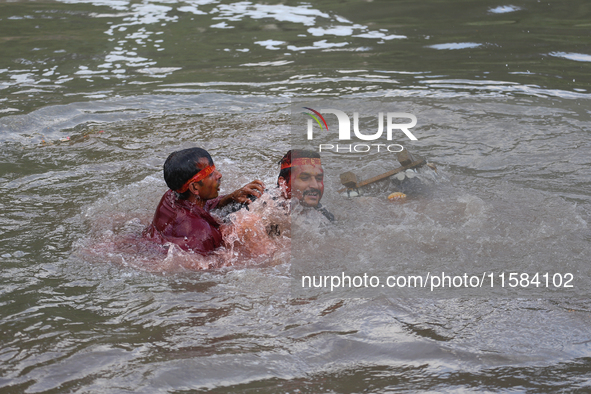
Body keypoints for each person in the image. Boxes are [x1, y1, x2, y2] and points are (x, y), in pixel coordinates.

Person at [143, 147, 264, 255]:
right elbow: (217, 267)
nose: (219, 175)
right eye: (211, 174)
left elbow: (203, 206)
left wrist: (231, 197)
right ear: (194, 187)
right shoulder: (202, 234)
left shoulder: (171, 196)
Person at [277, 149, 334, 222]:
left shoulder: (326, 217)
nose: (315, 186)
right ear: (283, 183)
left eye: (319, 178)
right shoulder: (264, 210)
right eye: (305, 178)